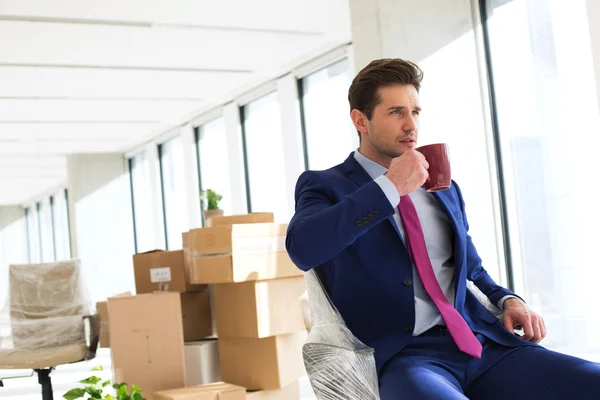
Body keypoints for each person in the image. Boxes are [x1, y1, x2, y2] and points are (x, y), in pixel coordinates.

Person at [286, 58, 600, 399]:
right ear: (360, 120)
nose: (411, 126)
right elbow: (303, 248)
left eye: (415, 112)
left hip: (482, 344)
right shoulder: (325, 185)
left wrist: (508, 299)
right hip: (407, 359)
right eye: (396, 112)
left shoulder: (442, 185)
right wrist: (390, 187)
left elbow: (472, 269)